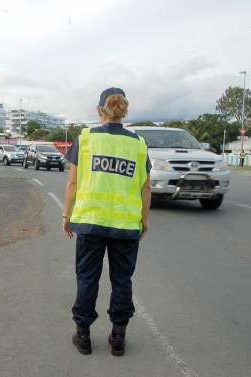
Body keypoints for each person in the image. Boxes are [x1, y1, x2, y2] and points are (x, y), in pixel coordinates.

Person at [62, 87, 151, 356]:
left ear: (100, 110)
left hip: (90, 223)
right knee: (122, 280)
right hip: (126, 227)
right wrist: (144, 221)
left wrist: (67, 215)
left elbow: (73, 182)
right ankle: (118, 336)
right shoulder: (138, 143)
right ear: (124, 110)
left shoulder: (86, 138)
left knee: (87, 278)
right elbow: (145, 188)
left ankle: (84, 335)